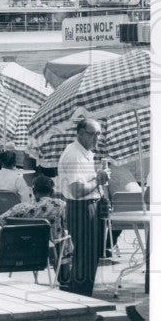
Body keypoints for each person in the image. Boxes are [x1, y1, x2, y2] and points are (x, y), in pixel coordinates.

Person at [56, 118, 109, 297]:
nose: (96, 138)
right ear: (79, 133)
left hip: (88, 206)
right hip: (81, 207)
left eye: (98, 134)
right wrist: (99, 180)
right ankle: (79, 299)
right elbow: (77, 191)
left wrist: (96, 178)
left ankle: (81, 297)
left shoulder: (84, 153)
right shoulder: (75, 155)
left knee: (89, 257)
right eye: (91, 133)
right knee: (85, 257)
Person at [0, 175, 72, 284]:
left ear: (33, 190)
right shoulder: (60, 205)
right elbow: (67, 222)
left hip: (25, 247)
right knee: (64, 237)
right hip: (52, 249)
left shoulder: (21, 207)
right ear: (51, 192)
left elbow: (1, 219)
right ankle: (64, 279)